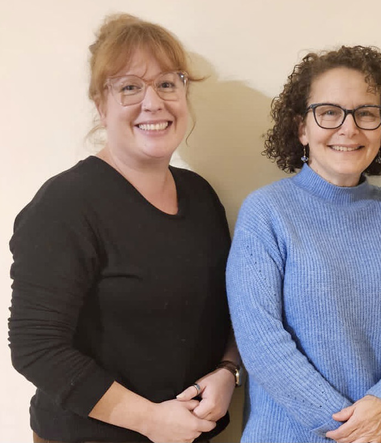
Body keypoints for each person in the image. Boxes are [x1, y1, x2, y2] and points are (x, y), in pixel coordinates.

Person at [8, 13, 240, 443]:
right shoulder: (65, 204)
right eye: (130, 87)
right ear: (101, 104)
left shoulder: (201, 196)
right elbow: (36, 348)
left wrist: (229, 372)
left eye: (168, 83)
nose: (153, 103)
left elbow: (231, 305)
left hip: (196, 434)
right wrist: (151, 421)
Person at [225, 45, 381, 443]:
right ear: (302, 128)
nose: (349, 128)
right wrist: (351, 429)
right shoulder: (266, 212)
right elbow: (261, 340)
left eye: (366, 113)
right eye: (329, 112)